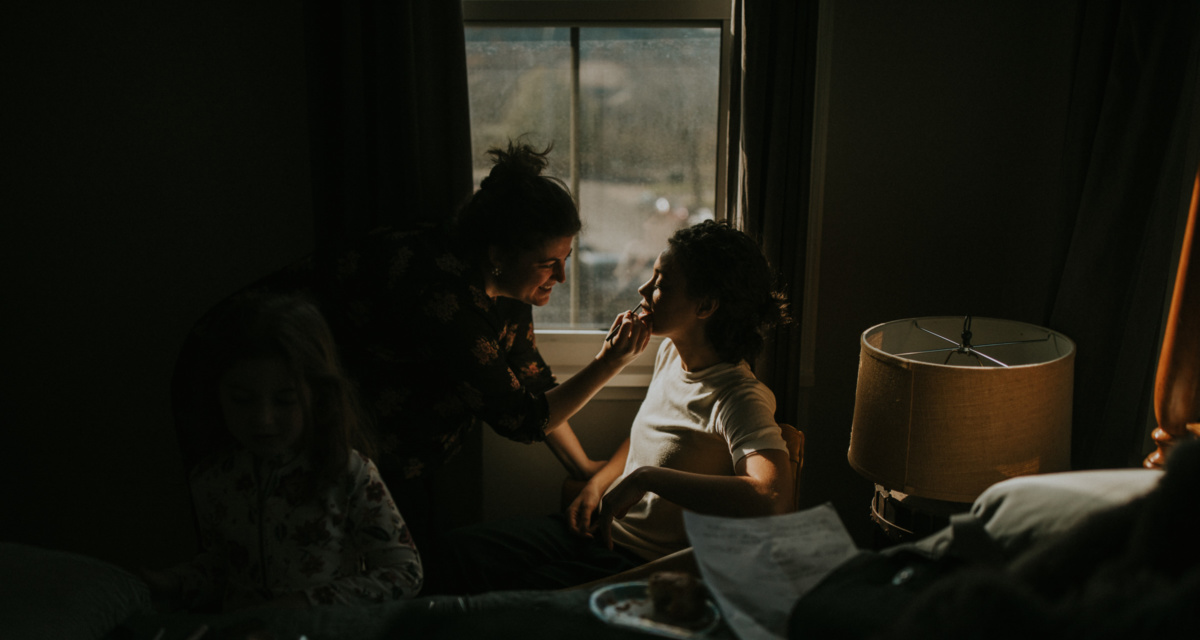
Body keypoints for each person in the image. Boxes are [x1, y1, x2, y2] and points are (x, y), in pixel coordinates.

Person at [310, 141, 651, 587]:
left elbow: (532, 383)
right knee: (384, 573)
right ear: (497, 255)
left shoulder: (507, 283)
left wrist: (584, 466)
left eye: (565, 260)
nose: (562, 278)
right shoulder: (447, 298)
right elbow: (520, 418)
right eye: (549, 264)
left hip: (402, 444)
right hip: (324, 419)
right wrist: (610, 362)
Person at [439, 219, 795, 592]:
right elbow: (646, 441)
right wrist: (597, 485)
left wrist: (645, 479)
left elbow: (771, 498)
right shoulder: (672, 354)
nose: (644, 288)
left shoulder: (738, 397)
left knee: (510, 600)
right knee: (456, 553)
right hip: (595, 529)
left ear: (705, 306)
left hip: (638, 561)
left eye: (662, 283)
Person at [144, 294, 423, 612]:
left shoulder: (349, 473)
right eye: (242, 399)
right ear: (217, 394)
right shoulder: (213, 476)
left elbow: (405, 573)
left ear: (317, 394)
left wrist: (303, 603)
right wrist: (178, 582)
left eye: (284, 399)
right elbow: (225, 567)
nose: (262, 419)